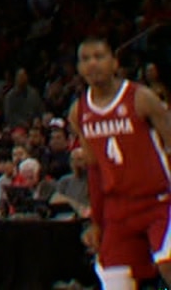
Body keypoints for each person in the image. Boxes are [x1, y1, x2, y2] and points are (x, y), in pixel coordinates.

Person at [69, 36, 171, 290]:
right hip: (118, 209)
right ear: (79, 69)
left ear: (114, 62)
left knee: (168, 264)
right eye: (85, 59)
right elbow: (94, 170)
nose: (93, 64)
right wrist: (96, 222)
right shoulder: (78, 112)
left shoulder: (141, 98)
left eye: (99, 56)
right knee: (113, 281)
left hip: (159, 201)